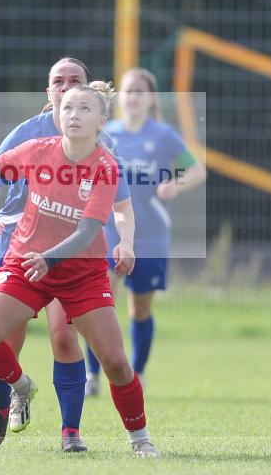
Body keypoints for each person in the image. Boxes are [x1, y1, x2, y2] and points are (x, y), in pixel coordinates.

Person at [0, 85, 160, 457]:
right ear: (57, 113)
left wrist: (51, 258)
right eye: (68, 107)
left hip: (81, 273)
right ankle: (20, 386)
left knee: (116, 363)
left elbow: (89, 230)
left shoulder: (105, 167)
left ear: (102, 121)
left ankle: (140, 439)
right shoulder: (38, 151)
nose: (73, 114)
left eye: (85, 109)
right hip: (27, 264)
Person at [0, 58, 136, 452]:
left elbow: (121, 205)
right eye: (58, 82)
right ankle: (4, 403)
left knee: (64, 336)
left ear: (90, 91)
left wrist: (125, 240)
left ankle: (71, 432)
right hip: (16, 246)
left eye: (74, 80)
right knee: (5, 341)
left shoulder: (100, 140)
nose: (65, 87)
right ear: (48, 92)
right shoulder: (29, 133)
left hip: (69, 256)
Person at [85, 68, 207, 396]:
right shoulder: (106, 134)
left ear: (150, 97)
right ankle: (92, 375)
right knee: (97, 304)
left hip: (150, 238)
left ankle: (136, 373)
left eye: (140, 91)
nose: (133, 96)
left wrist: (175, 184)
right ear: (118, 96)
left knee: (140, 309)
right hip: (108, 233)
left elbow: (197, 169)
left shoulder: (163, 135)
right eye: (128, 90)